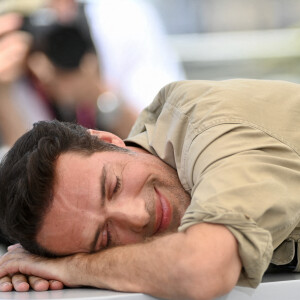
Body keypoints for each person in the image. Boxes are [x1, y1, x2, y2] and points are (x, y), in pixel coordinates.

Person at [1, 79, 300, 299]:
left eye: (113, 186)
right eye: (105, 237)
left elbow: (201, 270)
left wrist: (75, 267)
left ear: (109, 140)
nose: (137, 216)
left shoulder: (209, 127)